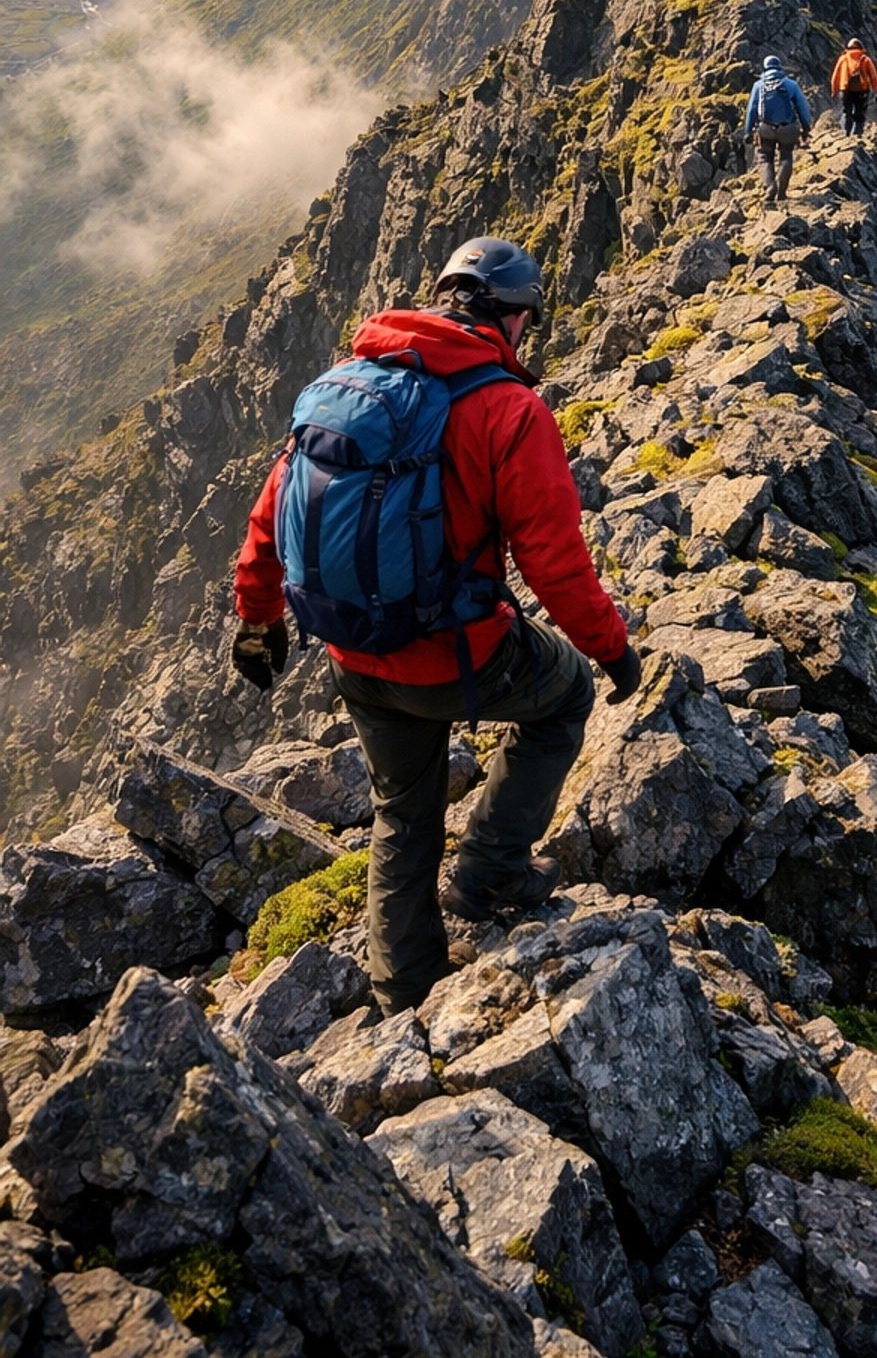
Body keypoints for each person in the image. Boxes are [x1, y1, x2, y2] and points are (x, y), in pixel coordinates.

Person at [229, 236, 640, 1015]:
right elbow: (554, 564)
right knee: (565, 699)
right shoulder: (508, 410)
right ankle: (489, 873)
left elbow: (266, 524)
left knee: (401, 812)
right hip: (461, 656)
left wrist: (257, 623)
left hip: (356, 653)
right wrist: (612, 651)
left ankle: (402, 992)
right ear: (516, 320)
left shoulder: (340, 386)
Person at [744, 53, 812, 202]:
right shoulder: (791, 84)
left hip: (765, 128)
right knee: (786, 156)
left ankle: (770, 187)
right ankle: (782, 192)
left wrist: (748, 131)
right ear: (779, 67)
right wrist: (806, 128)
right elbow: (802, 107)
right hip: (788, 128)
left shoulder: (758, 86)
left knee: (764, 157)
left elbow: (752, 109)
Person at [830, 37, 877, 137]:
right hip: (862, 89)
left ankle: (846, 132)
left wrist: (834, 91)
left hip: (845, 89)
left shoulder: (843, 59)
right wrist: (876, 91)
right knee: (860, 110)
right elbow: (873, 77)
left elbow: (835, 76)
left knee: (846, 111)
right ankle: (858, 132)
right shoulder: (865, 59)